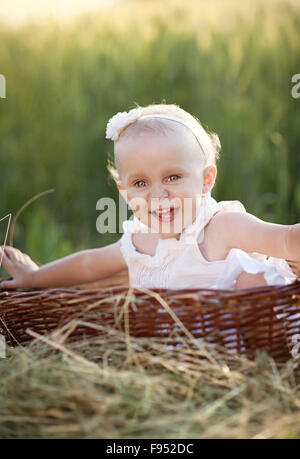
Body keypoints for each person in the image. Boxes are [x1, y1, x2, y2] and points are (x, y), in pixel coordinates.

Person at [0, 103, 299, 291]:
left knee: (253, 279)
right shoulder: (140, 241)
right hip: (177, 358)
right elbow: (90, 265)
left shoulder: (221, 227)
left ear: (206, 180)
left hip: (243, 342)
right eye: (141, 183)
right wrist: (36, 277)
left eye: (173, 177)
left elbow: (286, 240)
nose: (158, 193)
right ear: (125, 194)